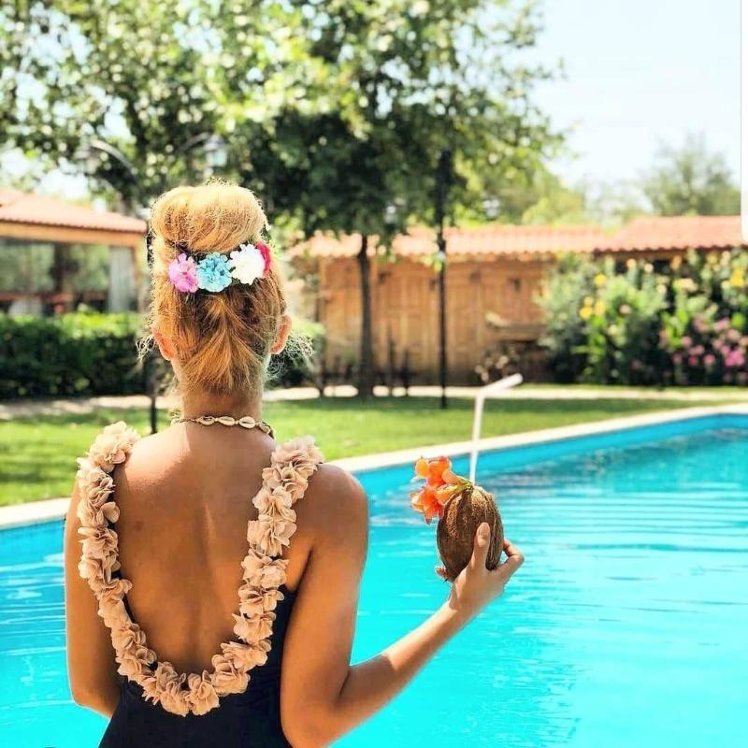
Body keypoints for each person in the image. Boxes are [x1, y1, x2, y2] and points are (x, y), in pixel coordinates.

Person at [64, 181, 524, 748]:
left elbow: (90, 688)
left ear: (163, 339)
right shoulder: (327, 500)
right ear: (280, 333)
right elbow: (311, 725)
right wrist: (458, 609)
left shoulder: (102, 485)